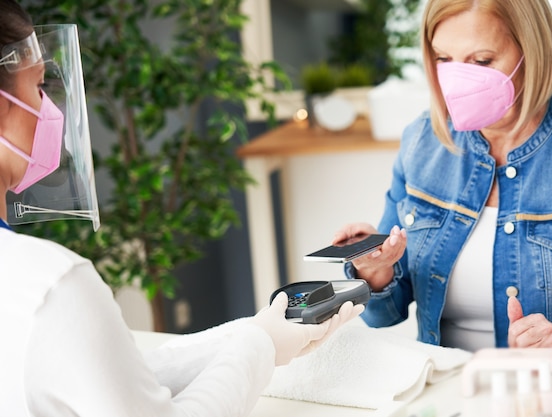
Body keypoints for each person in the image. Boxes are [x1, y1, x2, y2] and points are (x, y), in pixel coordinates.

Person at [0, 1, 363, 416]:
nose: (51, 109)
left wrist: (255, 331)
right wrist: (260, 346)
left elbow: (119, 378)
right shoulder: (53, 286)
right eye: (40, 86)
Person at [333, 0, 552, 373]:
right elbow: (382, 315)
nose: (458, 80)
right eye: (444, 59)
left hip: (546, 399)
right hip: (444, 393)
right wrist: (374, 271)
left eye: (482, 61)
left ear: (532, 52)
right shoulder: (421, 144)